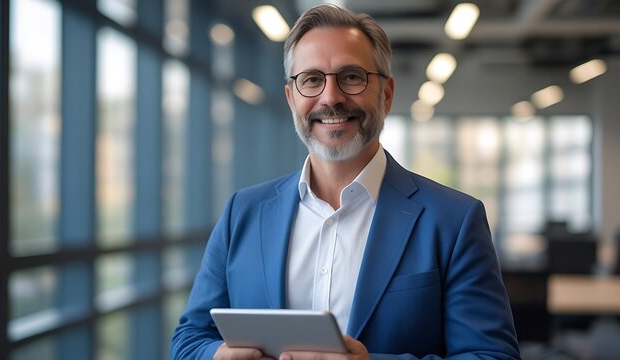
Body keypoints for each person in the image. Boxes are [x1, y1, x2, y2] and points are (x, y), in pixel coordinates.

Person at [171, 4, 520, 360]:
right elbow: (189, 340)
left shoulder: (454, 220)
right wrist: (216, 355)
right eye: (311, 79)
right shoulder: (241, 213)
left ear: (386, 94)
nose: (331, 97)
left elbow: (492, 355)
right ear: (292, 98)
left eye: (352, 77)